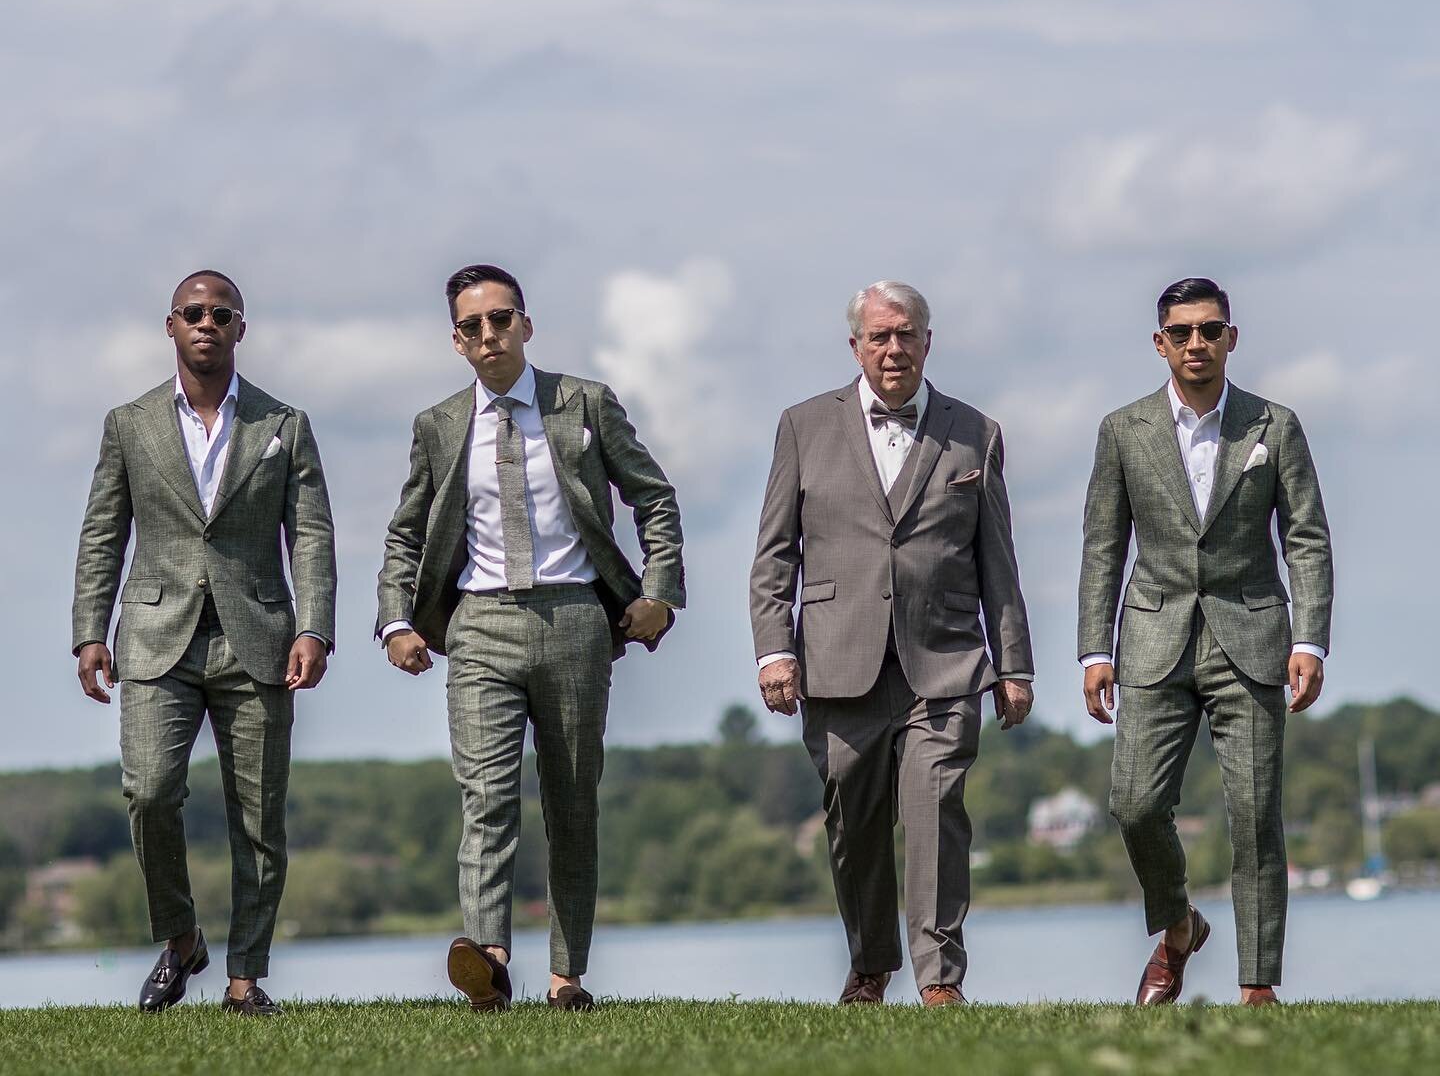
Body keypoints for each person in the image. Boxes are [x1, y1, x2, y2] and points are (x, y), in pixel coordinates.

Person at [376, 263, 684, 1012]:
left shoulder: (585, 404)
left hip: (578, 616)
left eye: (501, 319)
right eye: (473, 326)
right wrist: (395, 622)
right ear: (457, 340)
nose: (490, 335)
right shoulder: (441, 425)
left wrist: (658, 594)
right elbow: (405, 534)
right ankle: (488, 963)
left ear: (526, 324)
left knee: (573, 801)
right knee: (486, 796)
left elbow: (656, 498)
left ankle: (566, 977)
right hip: (479, 623)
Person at [748, 280, 1035, 1006]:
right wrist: (774, 649)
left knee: (938, 812)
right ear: (856, 347)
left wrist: (1014, 664)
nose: (894, 347)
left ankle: (940, 980)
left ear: (928, 341)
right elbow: (775, 553)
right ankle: (872, 964)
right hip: (837, 663)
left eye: (906, 333)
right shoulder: (803, 426)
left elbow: (997, 560)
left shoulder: (977, 433)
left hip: (944, 662)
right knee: (853, 820)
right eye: (879, 336)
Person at [72, 270, 337, 1016]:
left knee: (259, 817)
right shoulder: (129, 423)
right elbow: (103, 532)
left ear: (240, 329)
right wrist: (88, 631)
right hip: (157, 636)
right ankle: (182, 934)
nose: (207, 322)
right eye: (194, 312)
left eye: (222, 313)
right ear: (171, 325)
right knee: (150, 791)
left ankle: (246, 977)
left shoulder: (285, 423)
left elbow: (311, 535)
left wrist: (314, 626)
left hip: (259, 636)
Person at [1077, 277, 1333, 1007]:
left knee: (1255, 816)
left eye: (1210, 329)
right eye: (1182, 331)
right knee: (1133, 804)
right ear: (1160, 343)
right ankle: (1180, 925)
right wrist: (1095, 652)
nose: (1197, 342)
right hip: (1152, 637)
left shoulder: (1273, 426)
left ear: (1232, 338)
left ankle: (1258, 986)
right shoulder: (1122, 430)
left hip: (1252, 635)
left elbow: (1307, 540)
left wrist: (1310, 640)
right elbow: (1104, 546)